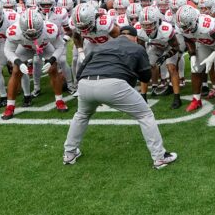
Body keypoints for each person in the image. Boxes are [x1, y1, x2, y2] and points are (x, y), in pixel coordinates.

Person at [63, 13, 178, 169]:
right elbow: (146, 77)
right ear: (135, 38)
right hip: (113, 83)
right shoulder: (137, 48)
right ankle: (159, 156)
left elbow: (80, 70)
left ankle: (69, 153)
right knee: (145, 115)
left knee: (81, 115)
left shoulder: (103, 45)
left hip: (85, 83)